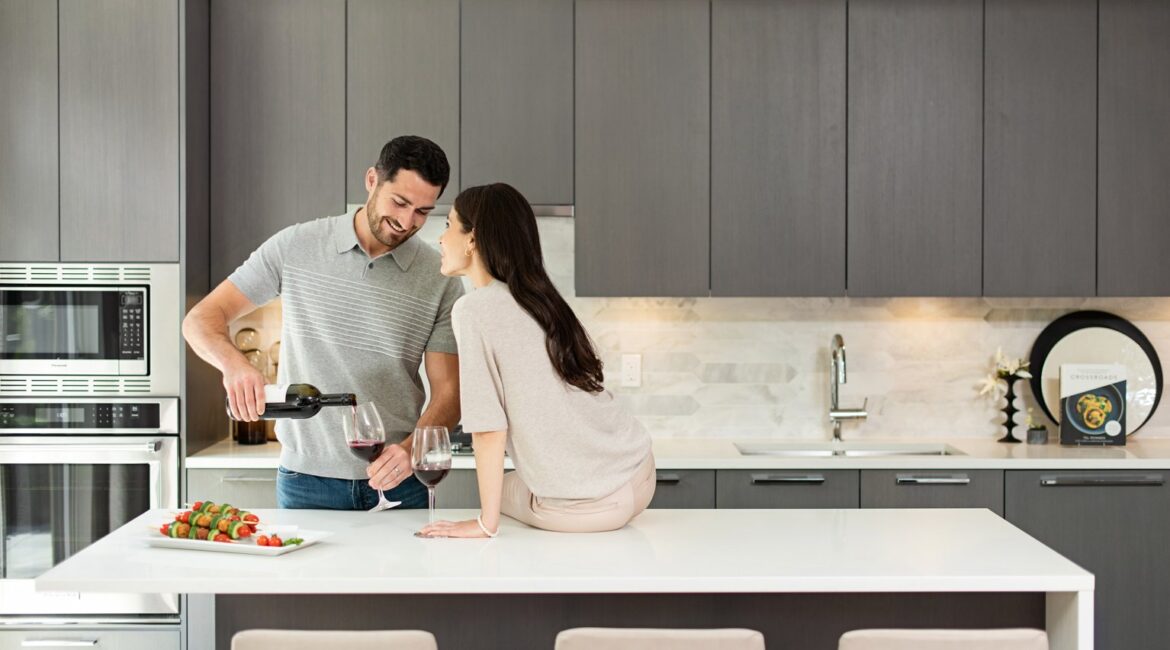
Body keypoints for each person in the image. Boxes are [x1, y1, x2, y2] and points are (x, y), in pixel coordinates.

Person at [183, 136, 463, 510]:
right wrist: (234, 366)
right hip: (305, 484)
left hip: (399, 482)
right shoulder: (296, 245)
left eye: (422, 212)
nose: (405, 221)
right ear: (371, 180)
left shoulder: (439, 276)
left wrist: (410, 451)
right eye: (399, 202)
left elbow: (450, 394)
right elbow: (200, 319)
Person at [419, 183, 654, 538]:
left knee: (500, 495)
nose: (441, 238)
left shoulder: (473, 310)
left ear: (472, 239)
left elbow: (487, 426)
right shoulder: (539, 299)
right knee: (515, 482)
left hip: (587, 507)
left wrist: (485, 523)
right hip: (640, 471)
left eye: (449, 225)